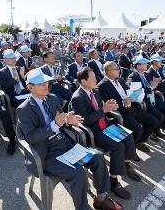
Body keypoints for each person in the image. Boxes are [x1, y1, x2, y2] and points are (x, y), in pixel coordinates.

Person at [17, 68, 122, 210]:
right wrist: (54, 125)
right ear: (29, 87)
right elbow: (30, 137)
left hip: (65, 143)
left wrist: (69, 120)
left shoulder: (52, 98)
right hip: (48, 153)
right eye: (40, 83)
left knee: (98, 156)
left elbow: (62, 119)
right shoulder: (24, 109)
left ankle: (101, 198)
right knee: (78, 173)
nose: (45, 85)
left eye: (46, 82)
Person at [70, 67, 141, 200]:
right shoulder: (77, 98)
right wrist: (104, 110)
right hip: (95, 131)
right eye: (93, 79)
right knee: (118, 146)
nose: (96, 80)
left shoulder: (94, 91)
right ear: (83, 80)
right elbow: (85, 120)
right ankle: (113, 181)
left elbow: (100, 107)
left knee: (128, 137)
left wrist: (108, 106)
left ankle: (125, 165)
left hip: (105, 125)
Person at [97, 61, 157, 153]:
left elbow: (128, 92)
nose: (119, 70)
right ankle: (131, 150)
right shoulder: (102, 86)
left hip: (132, 107)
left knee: (153, 121)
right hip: (121, 112)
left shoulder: (120, 80)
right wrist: (122, 102)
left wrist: (135, 95)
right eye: (116, 69)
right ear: (108, 71)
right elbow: (106, 105)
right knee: (138, 129)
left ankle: (138, 142)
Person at [128, 56, 165, 140]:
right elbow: (135, 94)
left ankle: (154, 132)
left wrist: (155, 84)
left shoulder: (143, 74)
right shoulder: (133, 76)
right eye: (144, 63)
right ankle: (142, 139)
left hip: (149, 99)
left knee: (160, 116)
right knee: (157, 118)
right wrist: (151, 87)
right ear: (138, 66)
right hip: (142, 102)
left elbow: (149, 87)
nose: (146, 64)